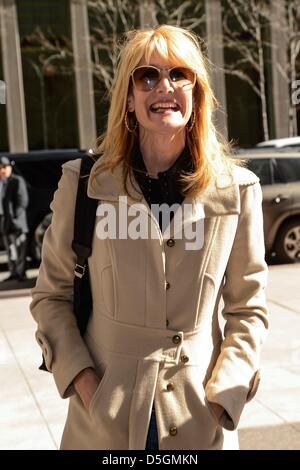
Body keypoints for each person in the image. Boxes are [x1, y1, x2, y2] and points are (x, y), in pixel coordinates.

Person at [30, 25, 269, 450]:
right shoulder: (83, 184)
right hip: (103, 424)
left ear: (197, 94)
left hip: (199, 423)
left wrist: (223, 397)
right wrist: (86, 384)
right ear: (128, 97)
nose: (165, 86)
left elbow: (248, 309)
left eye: (180, 74)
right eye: (148, 76)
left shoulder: (238, 190)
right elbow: (51, 297)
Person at [0, 155, 28, 282]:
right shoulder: (2, 182)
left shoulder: (17, 180)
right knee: (9, 248)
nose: (2, 170)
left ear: (10, 167)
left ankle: (21, 273)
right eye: (0, 168)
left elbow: (23, 201)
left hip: (17, 222)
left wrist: (15, 218)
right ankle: (14, 272)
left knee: (19, 248)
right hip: (5, 221)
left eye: (4, 167)